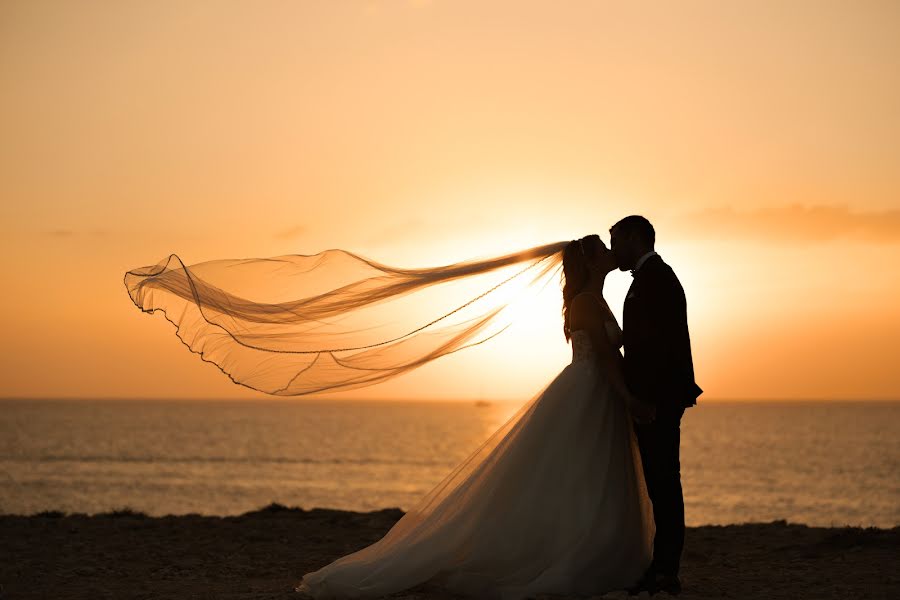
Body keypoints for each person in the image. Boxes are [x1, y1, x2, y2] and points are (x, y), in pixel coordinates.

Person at [295, 235, 656, 599]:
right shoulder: (585, 303)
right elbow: (608, 359)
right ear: (592, 262)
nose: (613, 253)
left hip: (598, 394)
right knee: (582, 473)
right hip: (590, 392)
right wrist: (629, 398)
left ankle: (592, 547)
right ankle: (574, 553)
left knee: (591, 476)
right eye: (605, 250)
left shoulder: (596, 299)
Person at [610, 216, 703, 596]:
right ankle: (661, 566)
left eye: (617, 240)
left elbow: (659, 348)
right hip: (654, 396)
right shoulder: (649, 279)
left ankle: (666, 571)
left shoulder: (658, 279)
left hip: (657, 398)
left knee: (664, 482)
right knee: (659, 482)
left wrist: (645, 400)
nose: (614, 249)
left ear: (635, 238)